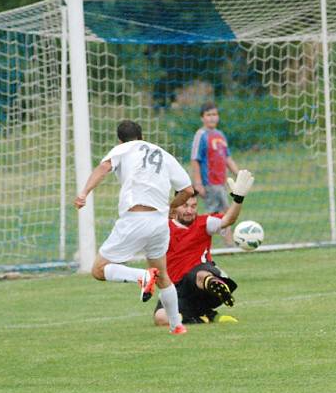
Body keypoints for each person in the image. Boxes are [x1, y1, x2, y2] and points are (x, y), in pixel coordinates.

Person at [74, 120, 194, 335]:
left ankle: (141, 277)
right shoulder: (163, 154)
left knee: (98, 270)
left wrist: (84, 193)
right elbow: (187, 190)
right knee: (163, 275)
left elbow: (104, 167)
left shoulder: (122, 149)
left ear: (119, 140)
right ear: (142, 136)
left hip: (135, 219)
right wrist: (172, 206)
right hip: (159, 223)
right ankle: (177, 326)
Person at [154, 169, 255, 327]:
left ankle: (217, 288)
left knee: (200, 275)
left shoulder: (204, 223)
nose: (189, 210)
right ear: (175, 205)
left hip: (201, 280)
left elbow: (229, 219)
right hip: (176, 287)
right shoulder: (162, 227)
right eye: (185, 206)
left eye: (193, 206)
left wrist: (238, 199)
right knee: (161, 318)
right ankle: (204, 316)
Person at [190, 101, 239, 245]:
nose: (212, 118)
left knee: (226, 213)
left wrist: (238, 174)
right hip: (208, 183)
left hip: (220, 183)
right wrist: (198, 183)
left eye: (215, 114)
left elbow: (227, 157)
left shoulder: (220, 135)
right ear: (202, 118)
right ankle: (198, 243)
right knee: (212, 216)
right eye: (208, 115)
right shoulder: (201, 135)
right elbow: (195, 159)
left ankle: (229, 246)